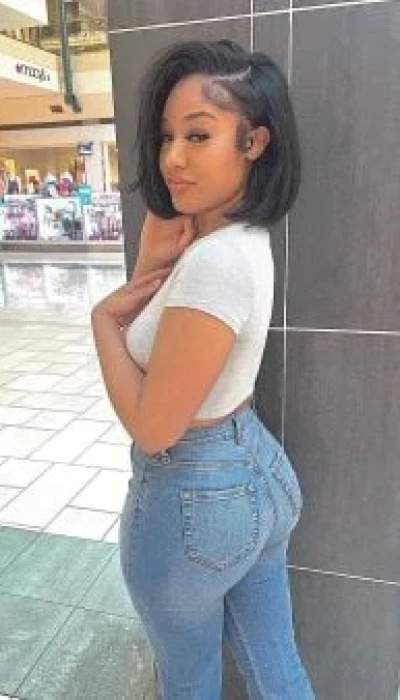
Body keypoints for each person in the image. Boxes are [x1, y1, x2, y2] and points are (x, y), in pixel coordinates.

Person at [91, 39, 315, 699]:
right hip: (255, 472)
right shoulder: (237, 241)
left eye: (198, 135)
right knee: (278, 673)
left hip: (192, 494)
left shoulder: (214, 263)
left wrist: (102, 322)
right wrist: (151, 269)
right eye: (167, 136)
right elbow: (169, 353)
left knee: (188, 685)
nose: (172, 158)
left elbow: (155, 427)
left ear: (254, 142)